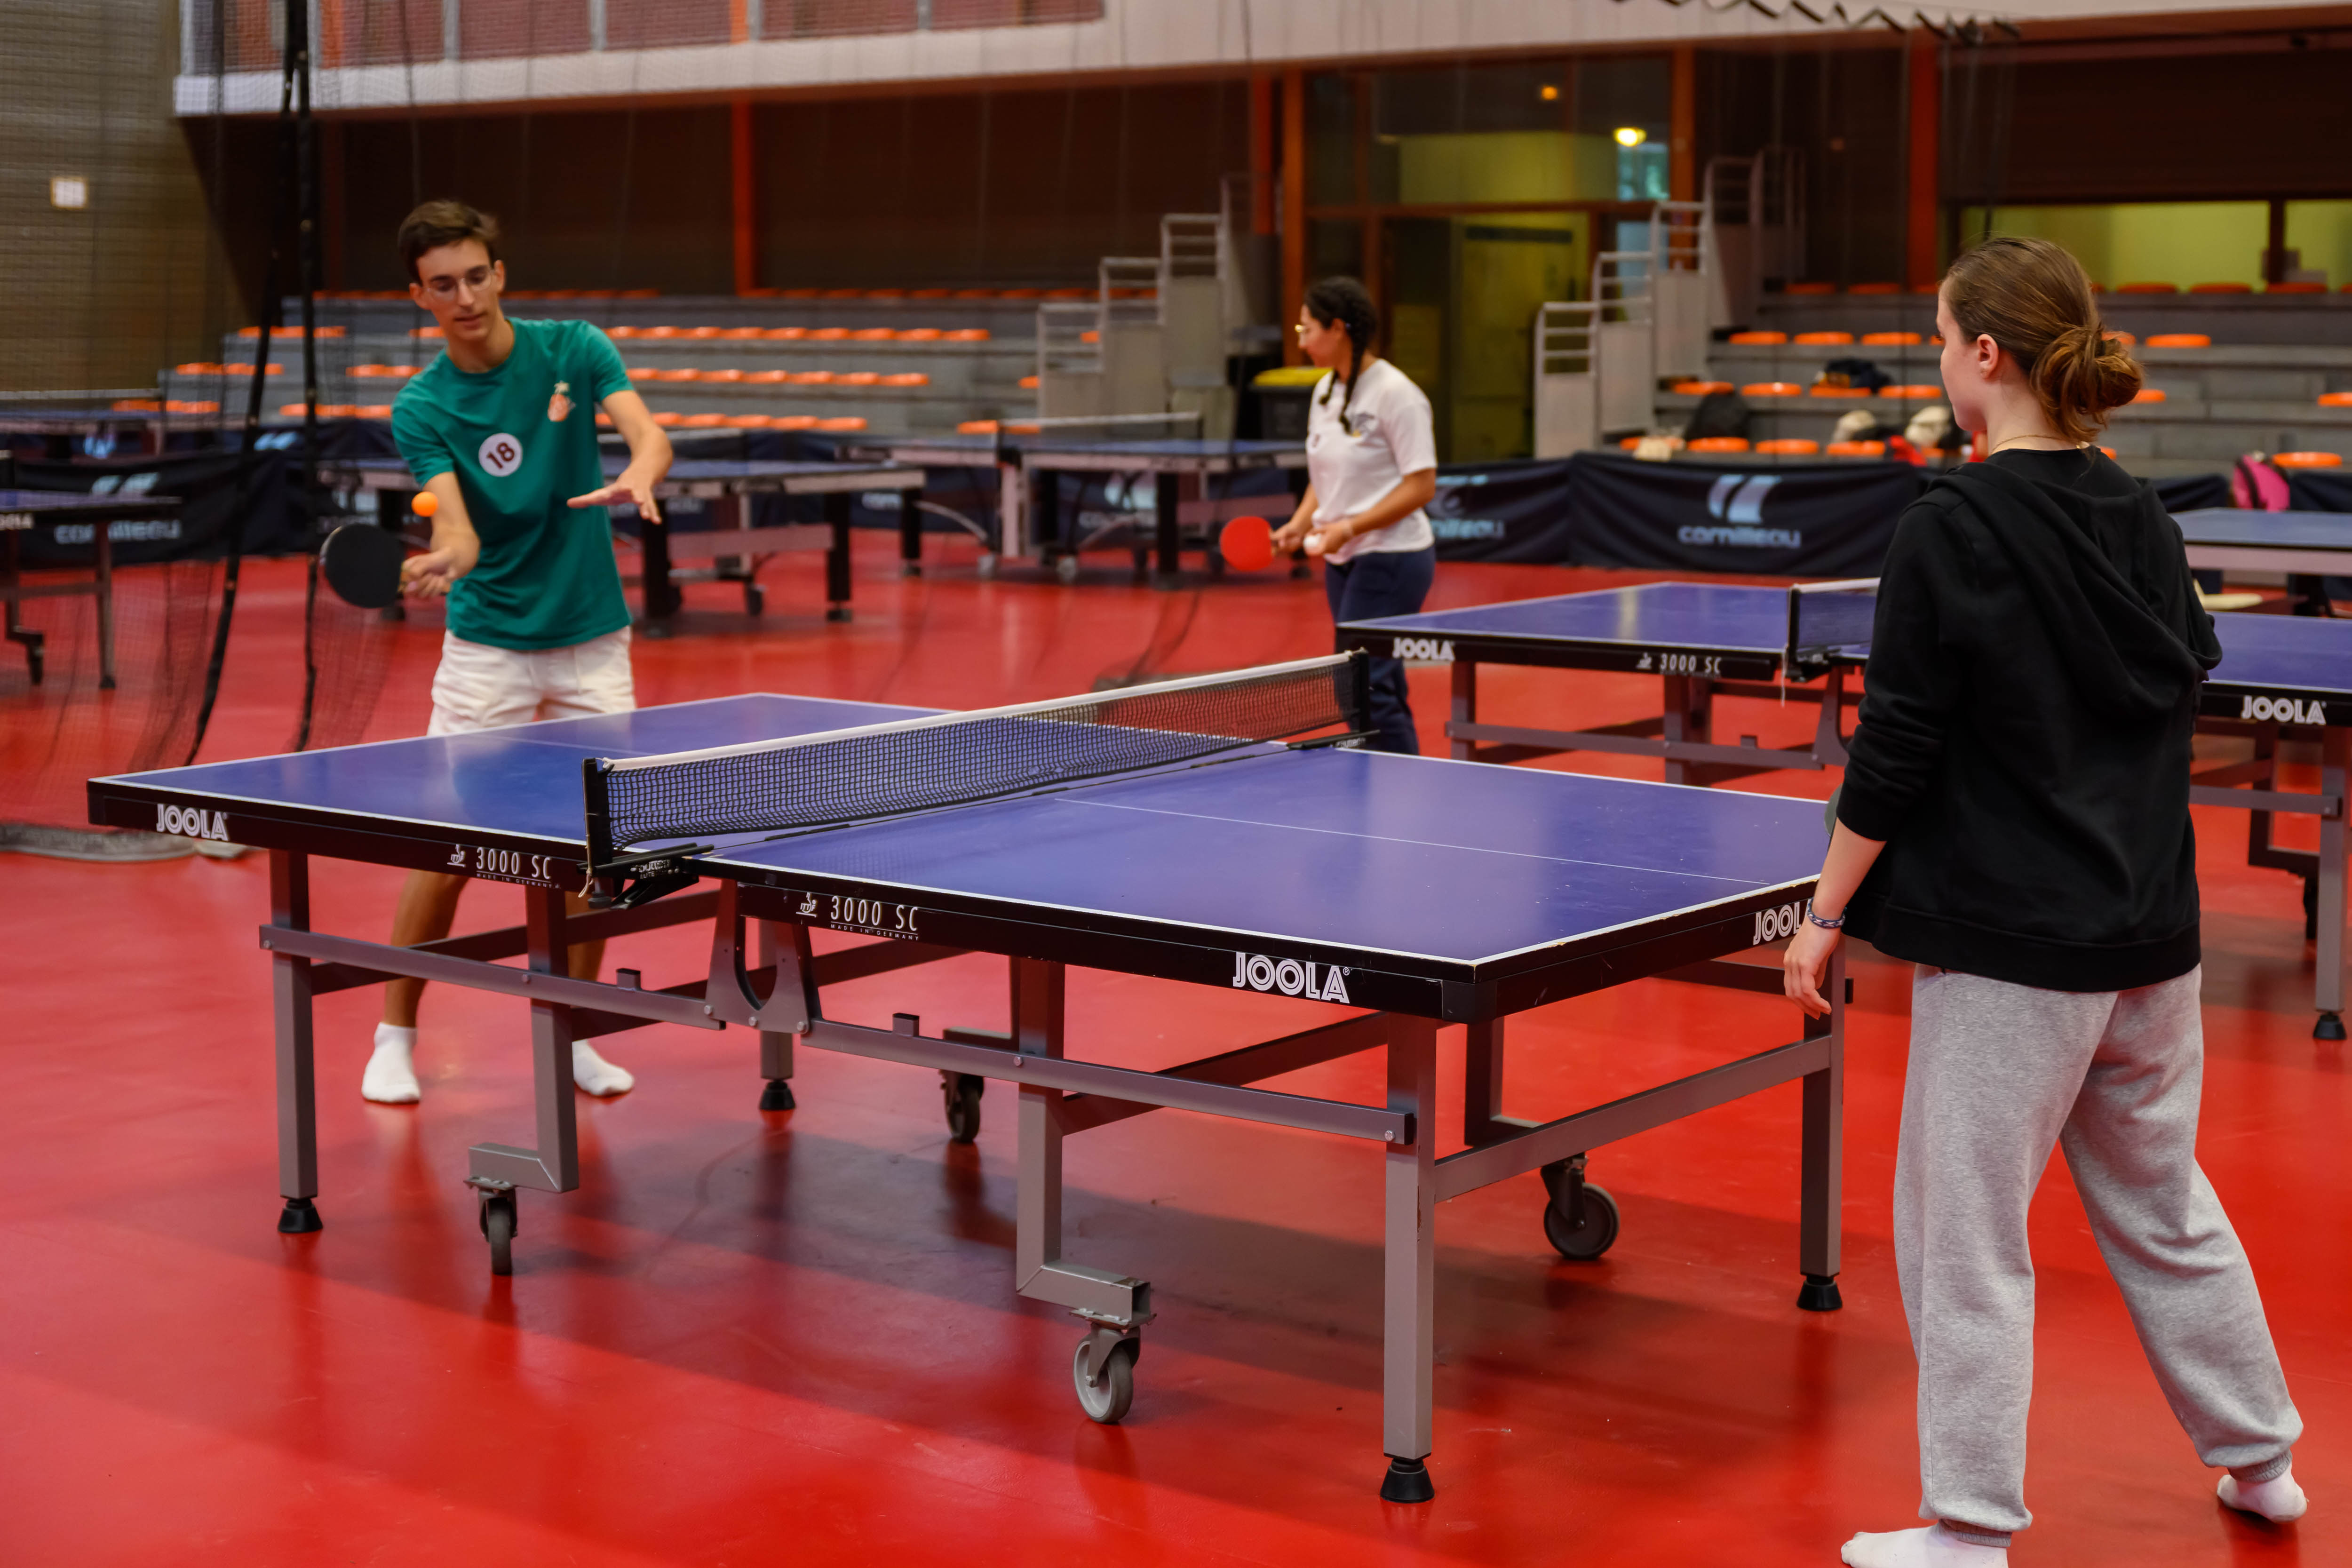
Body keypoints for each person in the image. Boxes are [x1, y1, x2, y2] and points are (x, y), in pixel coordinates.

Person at [1783, 236, 2307, 1567]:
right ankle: (2262, 1458)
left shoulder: (1948, 526)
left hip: (2015, 945)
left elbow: (1895, 750)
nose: (1936, 361)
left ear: (1985, 354)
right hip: (2151, 933)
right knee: (2163, 1204)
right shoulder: (2144, 517)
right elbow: (2177, 685)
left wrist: (1825, 914)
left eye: (1940, 338)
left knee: (1962, 1231)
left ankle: (1967, 1527)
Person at [362, 199, 673, 1105]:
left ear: (499, 274)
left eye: (476, 276)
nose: (465, 297)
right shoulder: (423, 406)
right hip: (490, 648)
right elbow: (457, 529)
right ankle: (393, 1036)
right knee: (448, 847)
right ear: (419, 295)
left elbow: (647, 432)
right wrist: (446, 558)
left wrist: (643, 467)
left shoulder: (574, 348)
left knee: (598, 851)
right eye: (443, 285)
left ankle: (573, 1031)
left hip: (591, 640)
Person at [1270, 278, 1438, 755]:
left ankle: (1397, 785)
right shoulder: (1325, 391)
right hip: (1343, 560)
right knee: (1372, 684)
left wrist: (1347, 528)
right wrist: (1301, 523)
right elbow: (1325, 475)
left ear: (1338, 328)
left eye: (1307, 329)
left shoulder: (1396, 394)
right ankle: (1393, 776)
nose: (1302, 342)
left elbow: (1421, 486)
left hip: (1392, 556)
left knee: (1362, 687)